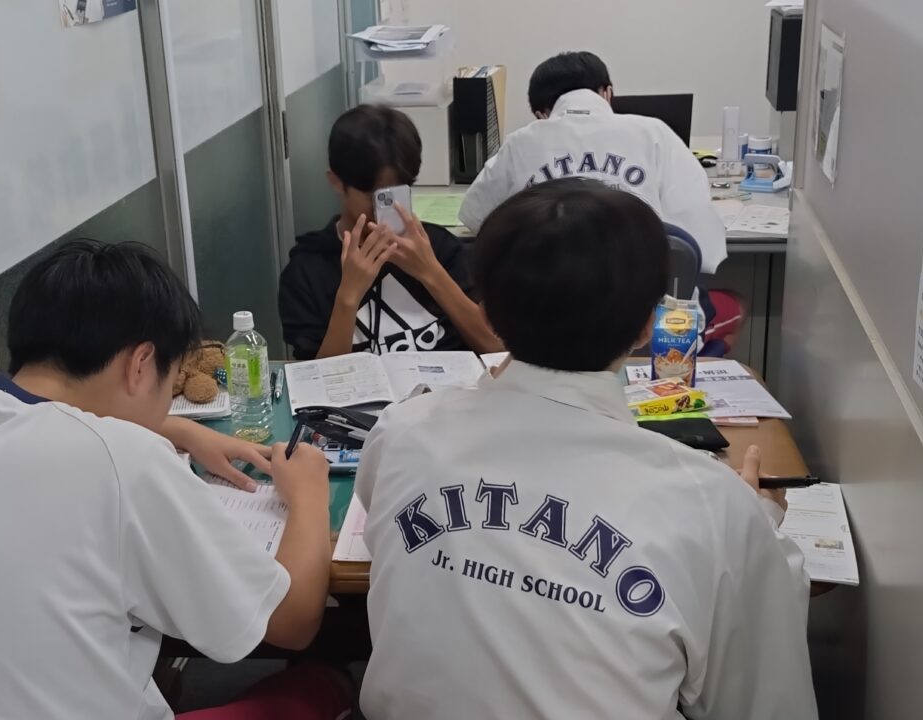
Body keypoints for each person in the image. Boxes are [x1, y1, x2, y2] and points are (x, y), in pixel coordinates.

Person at [356, 180, 816, 720]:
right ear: (646, 327)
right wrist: (753, 526)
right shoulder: (713, 507)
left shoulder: (403, 431)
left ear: (488, 313)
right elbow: (767, 701)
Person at [0, 240, 350, 720]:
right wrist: (308, 495)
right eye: (167, 386)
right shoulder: (125, 462)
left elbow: (18, 411)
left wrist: (180, 430)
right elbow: (293, 621)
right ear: (141, 363)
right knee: (317, 687)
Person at [458, 51, 727, 273]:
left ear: (541, 114)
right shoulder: (654, 133)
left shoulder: (521, 142)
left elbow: (474, 215)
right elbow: (700, 239)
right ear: (607, 93)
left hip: (546, 308)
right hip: (643, 307)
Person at [279, 104, 501, 360]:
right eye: (373, 195)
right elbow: (320, 378)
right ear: (336, 182)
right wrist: (348, 297)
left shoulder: (439, 249)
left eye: (396, 193)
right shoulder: (307, 270)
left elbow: (496, 350)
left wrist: (431, 272)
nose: (384, 208)